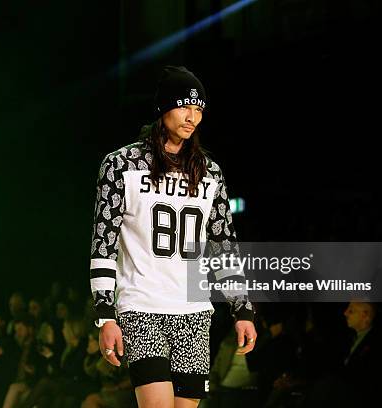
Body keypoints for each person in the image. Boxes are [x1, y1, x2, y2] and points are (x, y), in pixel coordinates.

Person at [89, 66, 257, 407]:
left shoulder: (209, 172)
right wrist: (105, 315)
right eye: (184, 106)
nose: (192, 116)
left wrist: (243, 310)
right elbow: (103, 242)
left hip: (194, 311)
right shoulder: (121, 164)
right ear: (163, 107)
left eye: (199, 109)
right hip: (142, 306)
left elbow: (223, 244)